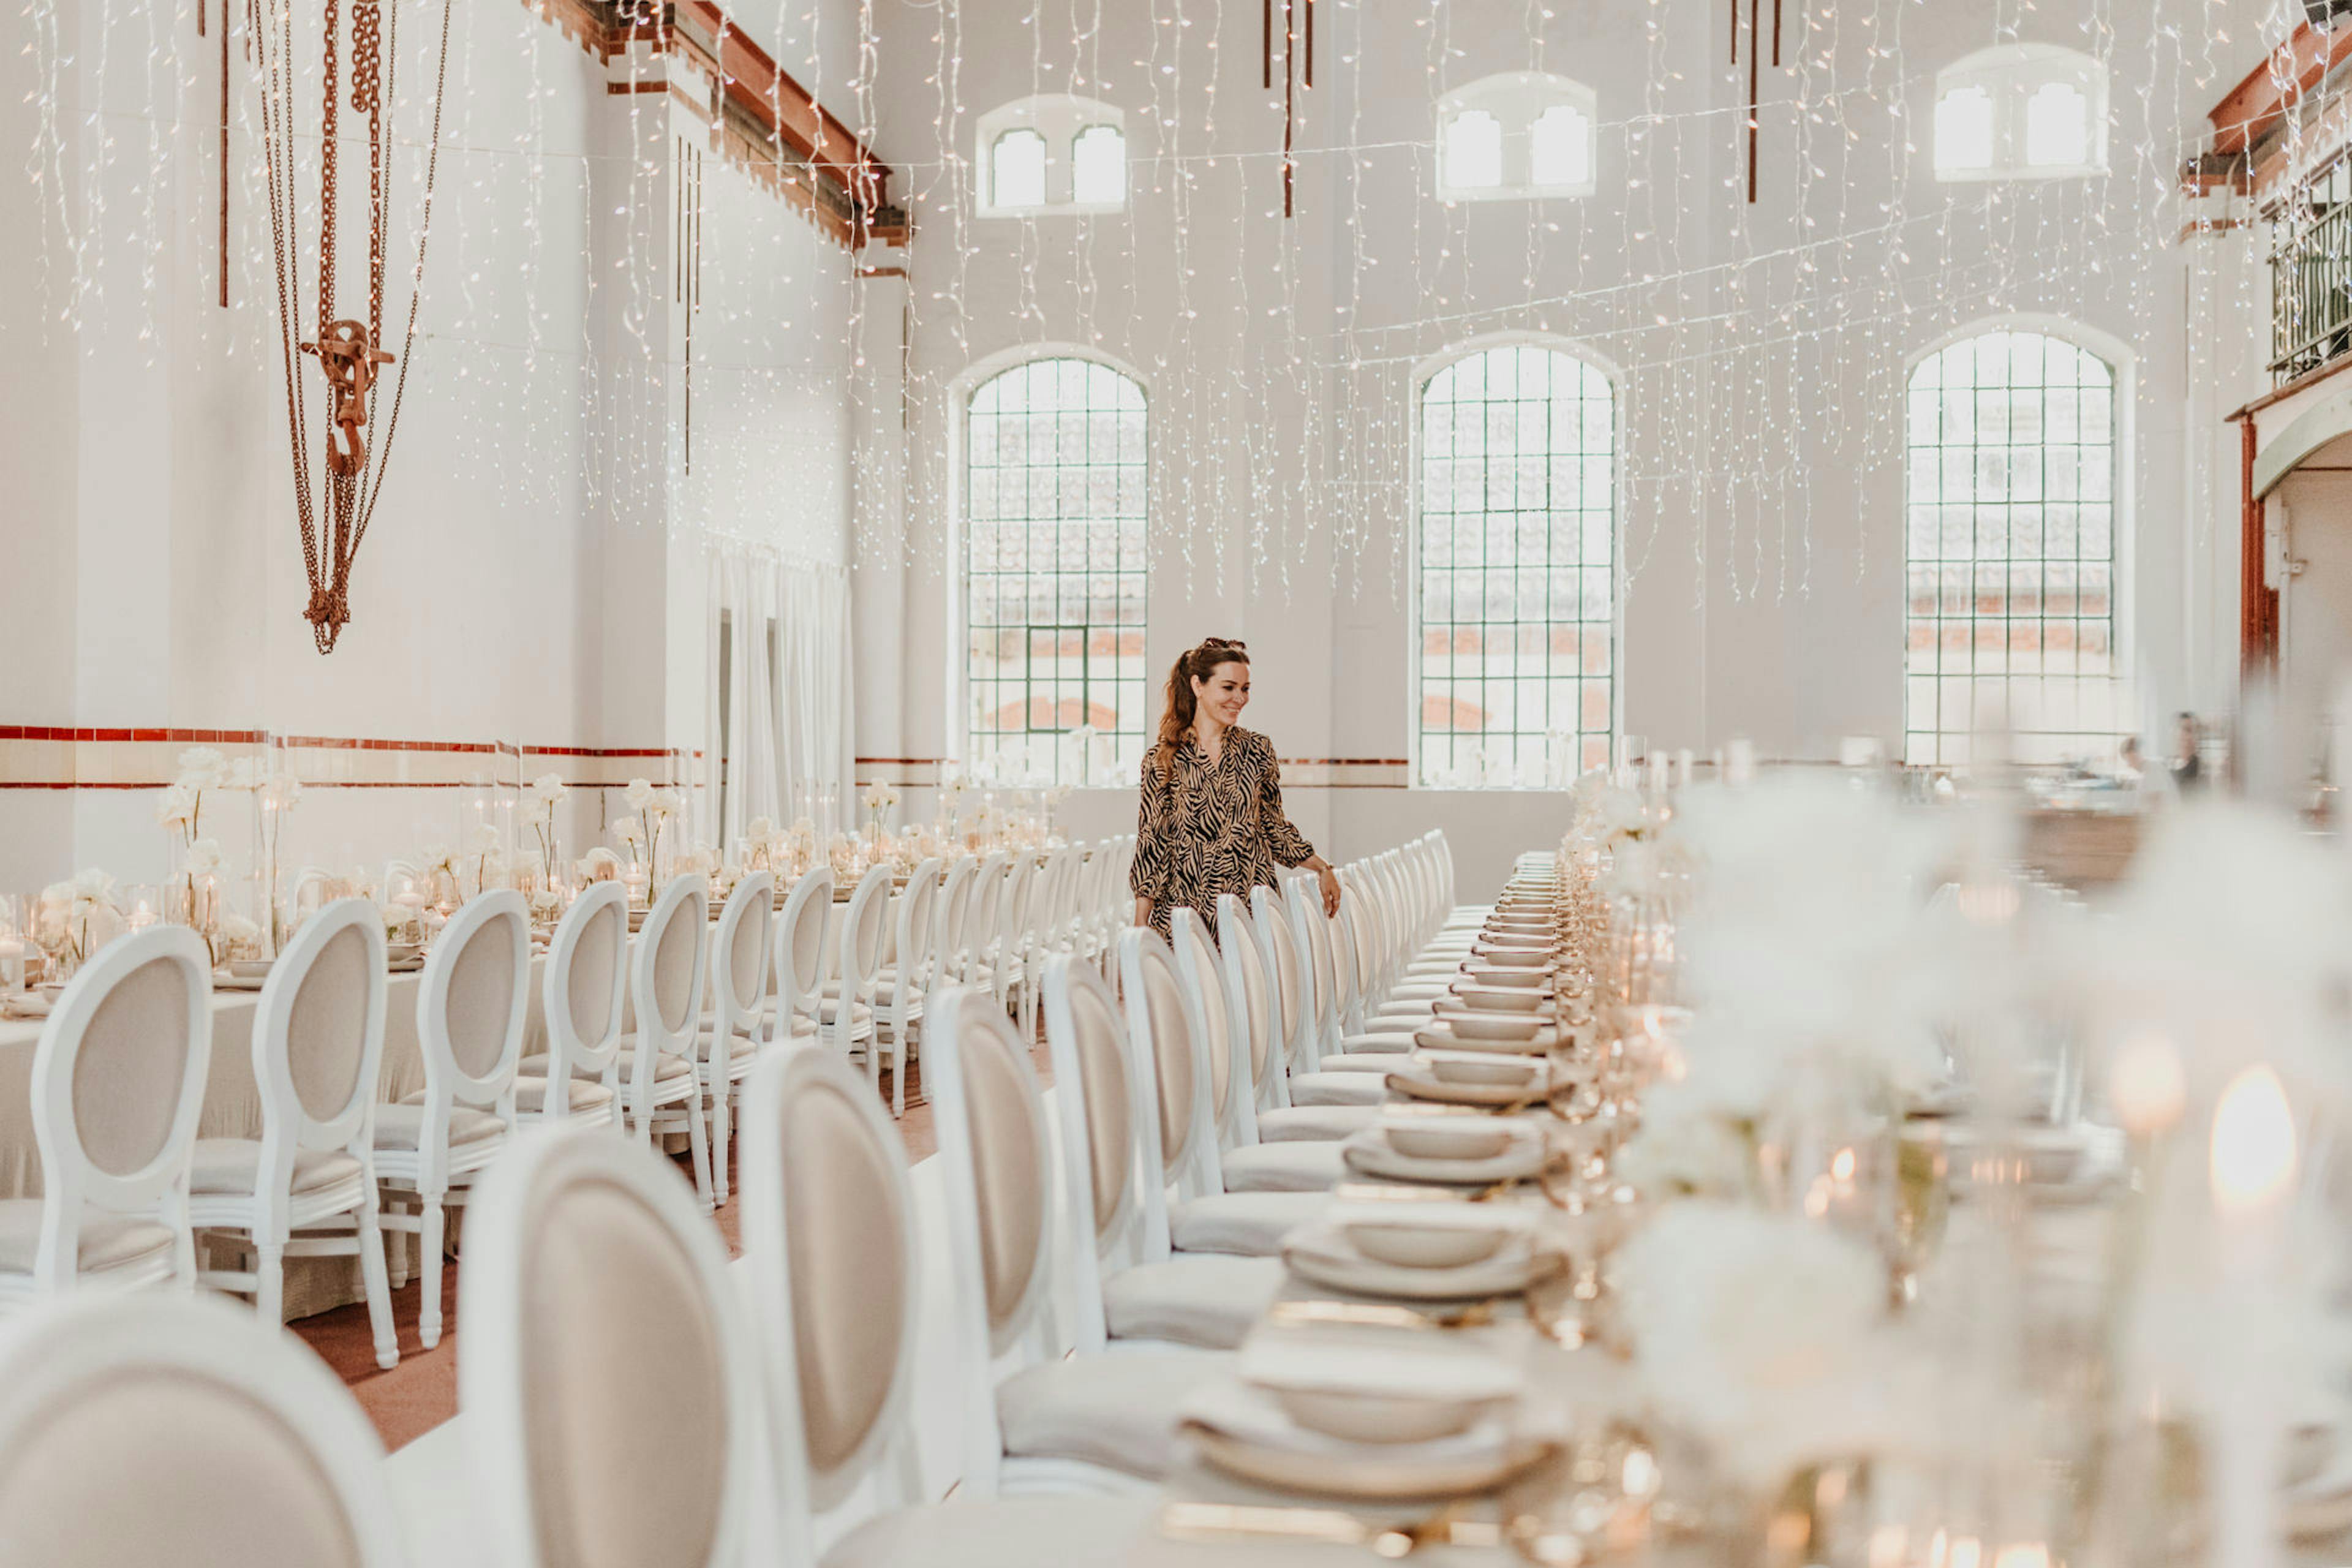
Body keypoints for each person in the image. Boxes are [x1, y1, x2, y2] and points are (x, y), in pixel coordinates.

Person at [1131, 636, 1341, 941]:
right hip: (1187, 915)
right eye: (1229, 688)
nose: (1239, 698)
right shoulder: (1162, 759)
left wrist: (1323, 868)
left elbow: (1273, 827)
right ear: (1198, 685)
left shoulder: (1257, 749)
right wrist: (1141, 922)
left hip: (1251, 913)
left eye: (1245, 689)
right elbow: (1153, 842)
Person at [2170, 712, 2203, 793]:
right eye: (2186, 730)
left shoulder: (2200, 770)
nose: (2189, 737)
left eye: (2195, 732)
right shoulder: (2168, 766)